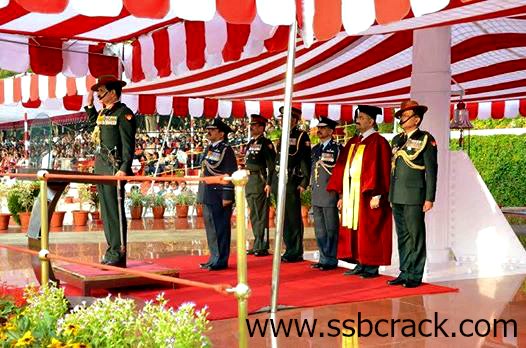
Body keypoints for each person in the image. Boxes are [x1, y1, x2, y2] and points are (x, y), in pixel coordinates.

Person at [327, 105, 392, 278]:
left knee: (370, 230)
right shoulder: (353, 142)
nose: (358, 120)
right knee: (356, 230)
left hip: (368, 196)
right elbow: (342, 169)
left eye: (362, 117)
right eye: (358, 116)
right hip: (352, 195)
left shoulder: (379, 142)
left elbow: (383, 170)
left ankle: (371, 266)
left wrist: (378, 194)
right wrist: (341, 194)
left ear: (371, 121)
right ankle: (360, 262)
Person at [85, 75, 137, 267]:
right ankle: (111, 249)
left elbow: (128, 145)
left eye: (101, 91)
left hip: (114, 168)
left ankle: (118, 252)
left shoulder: (124, 113)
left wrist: (124, 168)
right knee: (106, 212)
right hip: (102, 167)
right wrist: (89, 106)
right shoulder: (104, 113)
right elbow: (94, 127)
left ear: (112, 93)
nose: (98, 94)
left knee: (114, 212)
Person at [388, 100, 438, 288]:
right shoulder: (397, 139)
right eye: (401, 115)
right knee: (402, 235)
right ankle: (405, 271)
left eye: (405, 115)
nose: (401, 118)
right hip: (397, 195)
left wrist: (429, 197)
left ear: (416, 119)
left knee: (416, 235)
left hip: (415, 195)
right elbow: (392, 170)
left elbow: (432, 170)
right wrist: (390, 195)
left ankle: (415, 275)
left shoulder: (425, 138)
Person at [272, 106, 311, 263]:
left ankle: (296, 251)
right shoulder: (283, 135)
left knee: (293, 217)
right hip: (280, 179)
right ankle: (289, 248)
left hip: (292, 180)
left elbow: (305, 160)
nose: (282, 121)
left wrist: (304, 181)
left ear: (294, 120)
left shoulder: (301, 136)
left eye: (285, 118)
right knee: (284, 217)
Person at [197, 119, 237, 271]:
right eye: (209, 129)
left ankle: (220, 260)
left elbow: (230, 172)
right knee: (211, 228)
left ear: (221, 133)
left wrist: (227, 196)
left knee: (220, 227)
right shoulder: (209, 148)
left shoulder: (226, 150)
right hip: (209, 192)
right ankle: (213, 257)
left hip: (220, 194)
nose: (209, 132)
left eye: (213, 130)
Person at [310, 117, 342, 271]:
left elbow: (340, 172)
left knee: (331, 228)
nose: (319, 130)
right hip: (317, 193)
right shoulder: (315, 149)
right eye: (319, 127)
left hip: (329, 193)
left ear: (330, 131)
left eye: (323, 128)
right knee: (319, 228)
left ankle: (331, 258)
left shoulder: (336, 149)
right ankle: (323, 257)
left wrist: (340, 195)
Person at [244, 114, 276, 257]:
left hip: (260, 180)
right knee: (253, 214)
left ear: (262, 127)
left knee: (261, 214)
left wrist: (269, 183)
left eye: (256, 125)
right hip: (250, 180)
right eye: (252, 125)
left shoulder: (266, 143)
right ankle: (257, 242)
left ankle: (262, 245)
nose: (252, 127)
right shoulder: (250, 143)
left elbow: (271, 165)